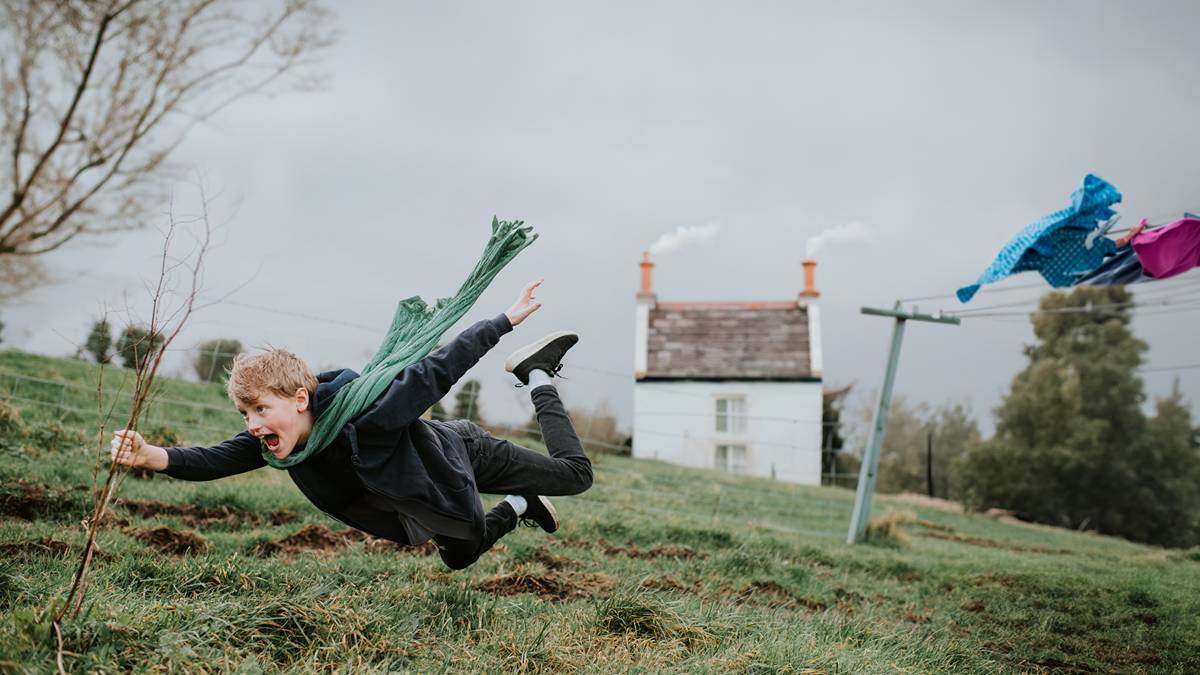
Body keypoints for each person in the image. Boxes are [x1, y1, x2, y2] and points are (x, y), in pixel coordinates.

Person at [110, 279, 592, 570]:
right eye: (246, 414)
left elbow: (434, 372)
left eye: (260, 409)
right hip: (431, 496)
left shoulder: (365, 416)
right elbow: (215, 458)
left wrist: (504, 321)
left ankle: (536, 373)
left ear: (300, 399)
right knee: (460, 554)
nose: (253, 425)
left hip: (460, 454)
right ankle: (521, 502)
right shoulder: (286, 444)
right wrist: (151, 455)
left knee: (576, 475)